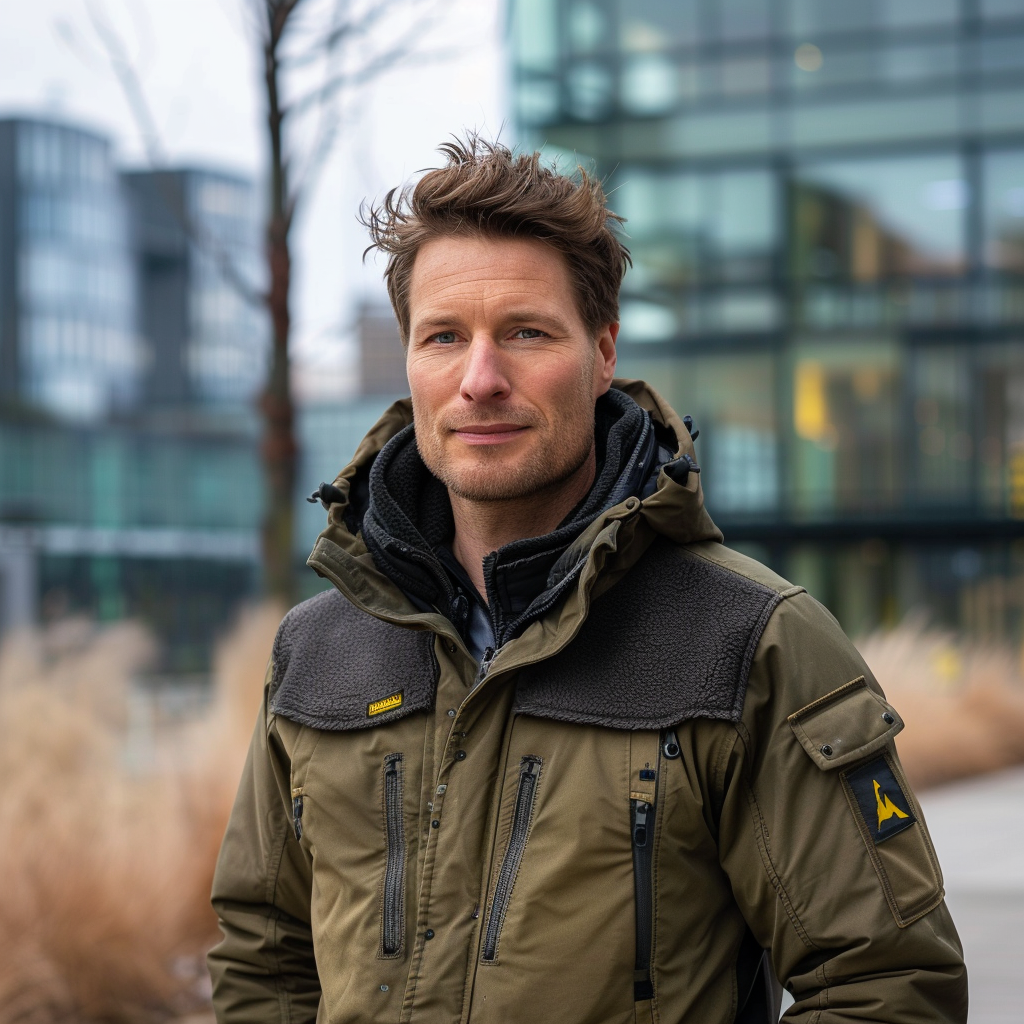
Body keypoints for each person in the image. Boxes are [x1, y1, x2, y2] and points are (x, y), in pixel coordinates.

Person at [208, 138, 967, 1024]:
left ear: (603, 352)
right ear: (410, 361)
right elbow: (263, 958)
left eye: (525, 333)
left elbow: (888, 985)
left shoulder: (749, 642)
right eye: (444, 337)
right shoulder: (319, 648)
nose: (480, 379)